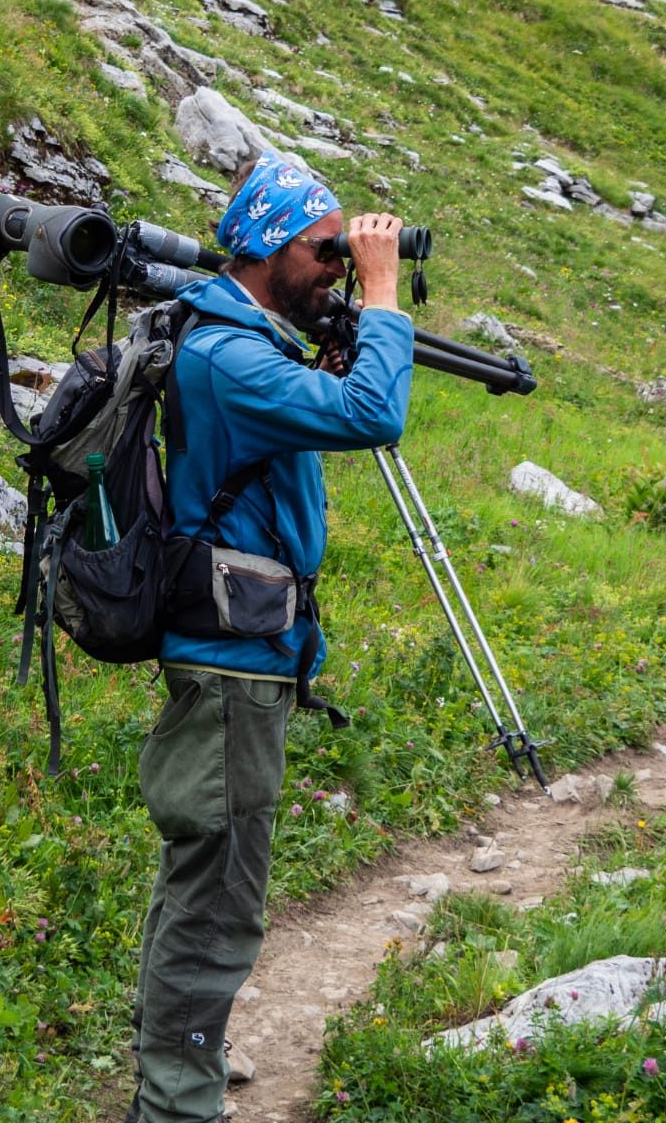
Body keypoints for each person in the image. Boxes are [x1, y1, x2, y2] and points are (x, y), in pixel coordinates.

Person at [126, 153, 415, 1123]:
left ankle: (170, 1085)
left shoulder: (245, 342)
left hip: (241, 665)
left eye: (343, 254)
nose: (334, 266)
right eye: (322, 249)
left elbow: (314, 424)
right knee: (217, 913)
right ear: (261, 247)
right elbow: (373, 413)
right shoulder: (230, 355)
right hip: (229, 674)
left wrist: (346, 326)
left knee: (201, 891)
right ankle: (177, 1104)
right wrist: (384, 291)